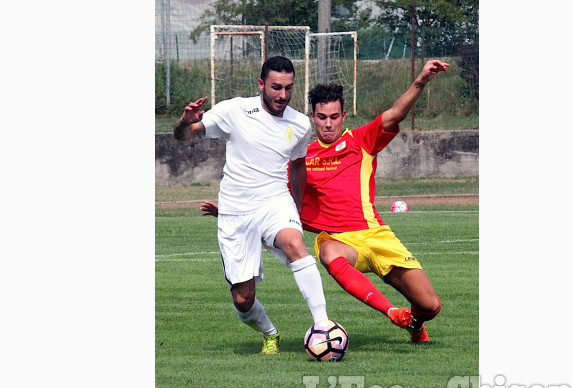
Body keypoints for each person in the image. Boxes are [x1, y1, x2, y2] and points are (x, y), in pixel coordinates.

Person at [174, 56, 329, 355]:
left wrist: (295, 207)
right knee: (243, 300)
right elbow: (183, 137)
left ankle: (322, 326)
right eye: (275, 87)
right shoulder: (235, 110)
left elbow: (298, 165)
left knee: (294, 243)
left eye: (288, 88)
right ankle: (269, 332)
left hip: (274, 203)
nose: (282, 95)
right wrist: (185, 121)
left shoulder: (299, 124)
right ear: (261, 84)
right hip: (235, 212)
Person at [300, 60, 449, 343]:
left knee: (430, 305)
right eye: (321, 117)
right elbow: (275, 195)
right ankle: (391, 311)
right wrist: (233, 210)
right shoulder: (302, 158)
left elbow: (394, 115)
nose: (328, 124)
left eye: (333, 116)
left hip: (376, 235)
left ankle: (415, 325)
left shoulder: (361, 140)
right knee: (328, 252)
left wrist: (421, 81)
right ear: (313, 117)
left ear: (343, 115)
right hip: (340, 241)